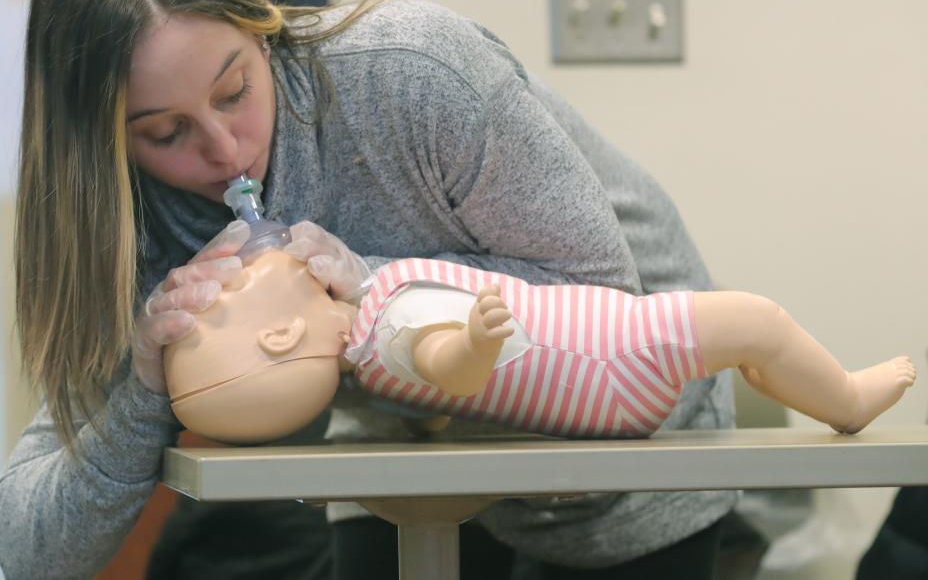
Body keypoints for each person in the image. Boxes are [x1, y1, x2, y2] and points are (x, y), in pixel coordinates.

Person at [0, 0, 746, 579]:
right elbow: (31, 549)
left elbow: (609, 307)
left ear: (259, 20)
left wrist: (376, 284)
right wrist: (145, 383)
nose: (224, 150)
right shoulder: (135, 217)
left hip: (631, 429)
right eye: (166, 131)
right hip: (400, 443)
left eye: (235, 90)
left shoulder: (415, 73)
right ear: (108, 146)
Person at [163, 248, 915, 445]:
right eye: (229, 296)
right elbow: (443, 367)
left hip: (608, 385)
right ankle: (845, 398)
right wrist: (474, 344)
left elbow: (430, 405)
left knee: (746, 349)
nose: (228, 276)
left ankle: (806, 385)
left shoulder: (367, 367)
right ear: (281, 333)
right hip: (618, 355)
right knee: (760, 320)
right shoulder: (387, 324)